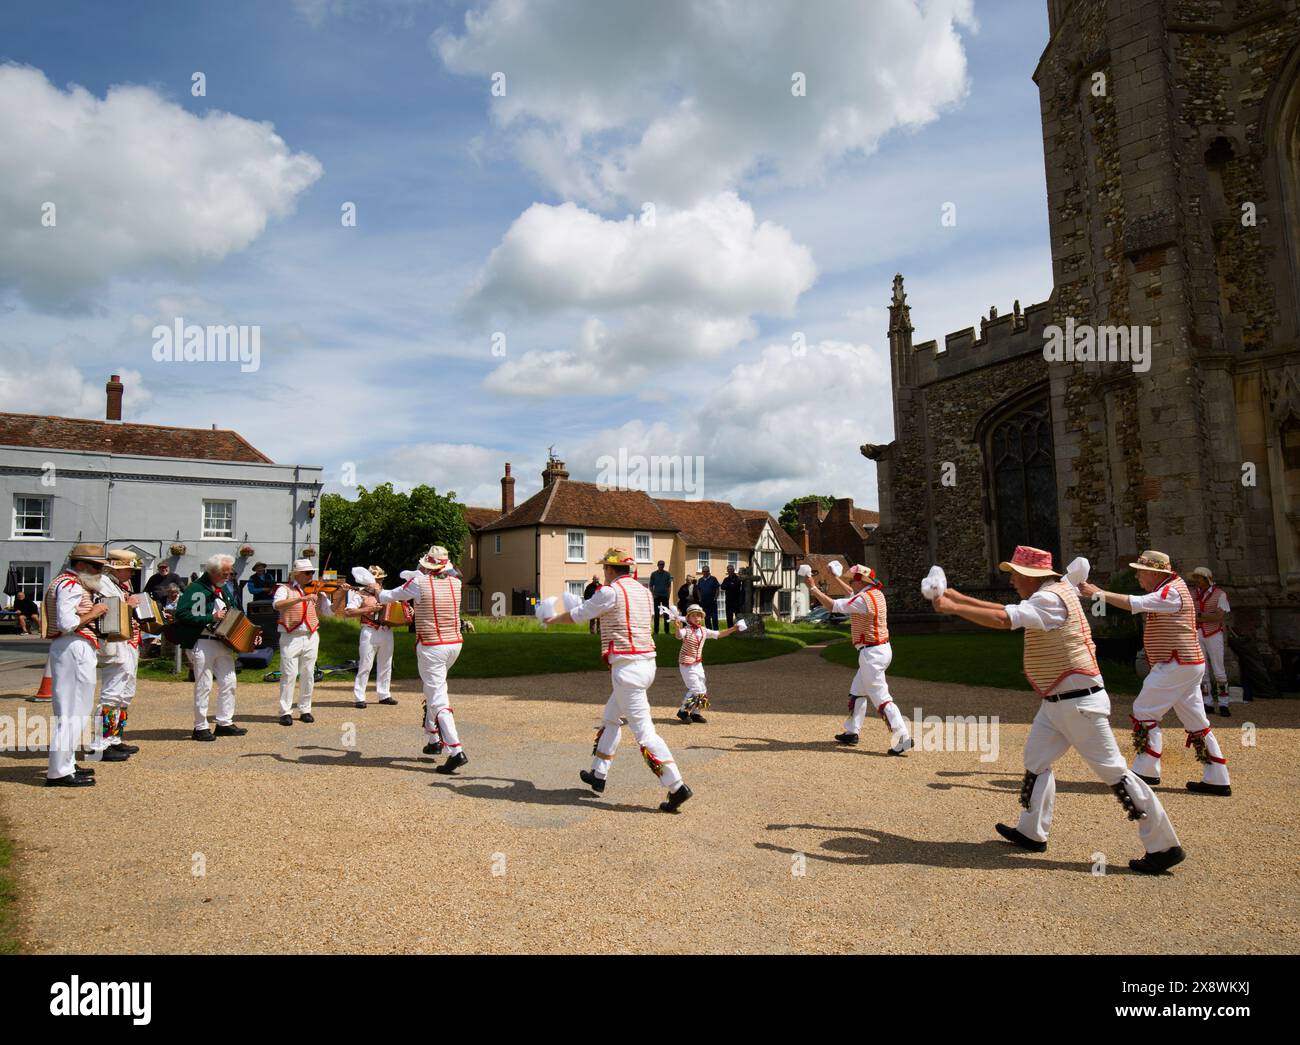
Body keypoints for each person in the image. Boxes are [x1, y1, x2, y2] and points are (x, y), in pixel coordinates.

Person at [934, 545, 1185, 875]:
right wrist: (957, 598)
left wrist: (952, 606)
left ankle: (1164, 846)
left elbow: (1002, 618)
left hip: (1077, 703)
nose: (1011, 580)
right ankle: (1031, 831)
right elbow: (1008, 608)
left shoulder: (1049, 600)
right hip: (1060, 701)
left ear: (1030, 576)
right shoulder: (1056, 589)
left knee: (1115, 772)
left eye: (1014, 575)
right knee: (1036, 761)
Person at [544, 548, 693, 813]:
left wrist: (551, 619)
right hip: (647, 663)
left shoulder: (610, 591)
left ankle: (676, 786)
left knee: (645, 733)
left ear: (611, 570)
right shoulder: (644, 592)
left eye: (605, 568)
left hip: (627, 668)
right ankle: (599, 774)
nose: (604, 572)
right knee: (611, 717)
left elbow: (579, 615)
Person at [1081, 551, 1230, 798]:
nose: (1137, 576)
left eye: (1140, 571)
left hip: (1177, 662)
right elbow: (1141, 601)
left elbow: (1136, 604)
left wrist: (1098, 593)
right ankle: (1216, 775)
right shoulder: (1173, 588)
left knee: (1144, 710)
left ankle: (1146, 770)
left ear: (1154, 572)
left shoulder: (1171, 591)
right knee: (1196, 721)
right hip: (1184, 663)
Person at [369, 545, 467, 774]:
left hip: (432, 645)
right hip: (454, 644)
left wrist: (374, 588)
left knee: (438, 697)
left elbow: (387, 596)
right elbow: (446, 575)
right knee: (434, 690)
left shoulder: (419, 583)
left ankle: (455, 751)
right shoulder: (456, 583)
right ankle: (433, 739)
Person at [804, 563, 912, 754]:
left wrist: (812, 587)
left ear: (861, 581)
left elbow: (833, 606)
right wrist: (835, 578)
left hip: (872, 654)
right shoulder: (875, 594)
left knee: (881, 697)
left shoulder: (863, 599)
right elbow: (852, 594)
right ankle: (852, 731)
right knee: (857, 691)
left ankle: (902, 736)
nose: (850, 582)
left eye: (853, 579)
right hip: (880, 650)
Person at [42, 543, 111, 787]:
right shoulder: (71, 584)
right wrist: (95, 612)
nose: (99, 571)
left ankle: (66, 763)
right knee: (74, 711)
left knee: (72, 710)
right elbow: (66, 622)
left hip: (71, 646)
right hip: (74, 644)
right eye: (95, 566)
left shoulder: (64, 582)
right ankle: (59, 771)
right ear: (81, 565)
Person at [172, 553, 249, 742]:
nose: (229, 576)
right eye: (225, 573)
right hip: (202, 641)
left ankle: (224, 722)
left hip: (222, 642)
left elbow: (232, 612)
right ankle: (200, 726)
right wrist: (210, 618)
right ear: (213, 572)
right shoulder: (196, 588)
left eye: (230, 573)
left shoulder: (223, 589)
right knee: (204, 684)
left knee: (229, 681)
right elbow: (182, 613)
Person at [93, 549, 145, 761]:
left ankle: (114, 737)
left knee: (125, 693)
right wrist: (128, 606)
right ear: (117, 568)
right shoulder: (103, 583)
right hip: (115, 642)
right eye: (129, 570)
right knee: (111, 694)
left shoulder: (121, 584)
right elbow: (107, 611)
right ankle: (100, 742)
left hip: (128, 641)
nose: (132, 574)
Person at [272, 559, 330, 726]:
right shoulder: (284, 589)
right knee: (289, 674)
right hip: (291, 636)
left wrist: (325, 600)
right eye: (307, 573)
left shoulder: (314, 591)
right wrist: (301, 599)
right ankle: (285, 711)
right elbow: (277, 605)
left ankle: (305, 709)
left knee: (308, 674)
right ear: (296, 574)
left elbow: (330, 612)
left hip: (311, 635)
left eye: (312, 573)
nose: (311, 575)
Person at [344, 565, 404, 709]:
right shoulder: (360, 594)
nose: (380, 583)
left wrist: (405, 610)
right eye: (377, 580)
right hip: (369, 630)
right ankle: (359, 697)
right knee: (365, 664)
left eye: (381, 580)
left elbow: (397, 605)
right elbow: (348, 612)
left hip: (387, 630)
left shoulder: (386, 593)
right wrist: (369, 609)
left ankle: (384, 694)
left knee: (386, 664)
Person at [671, 603, 741, 723]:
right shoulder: (686, 630)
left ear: (702, 618)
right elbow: (678, 636)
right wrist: (677, 627)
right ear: (688, 618)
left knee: (703, 688)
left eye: (699, 616)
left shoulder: (703, 631)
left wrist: (733, 629)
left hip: (698, 664)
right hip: (686, 664)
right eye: (693, 616)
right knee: (695, 688)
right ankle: (683, 711)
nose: (696, 618)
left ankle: (696, 713)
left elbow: (718, 634)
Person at [1191, 566, 1232, 716]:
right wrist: (1207, 615)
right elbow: (1189, 613)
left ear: (1207, 579)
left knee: (1219, 669)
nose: (1197, 581)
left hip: (1214, 633)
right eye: (1196, 578)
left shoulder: (1220, 594)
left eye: (1199, 578)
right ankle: (1207, 702)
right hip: (1198, 632)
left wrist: (1200, 616)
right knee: (1203, 669)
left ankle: (1223, 703)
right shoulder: (1193, 594)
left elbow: (1219, 617)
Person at [648, 560, 674, 634]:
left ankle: (667, 631)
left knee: (666, 614)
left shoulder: (667, 574)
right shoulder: (653, 574)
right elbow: (650, 585)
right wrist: (653, 594)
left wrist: (668, 595)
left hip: (665, 596)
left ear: (664, 565)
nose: (661, 565)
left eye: (662, 564)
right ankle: (656, 631)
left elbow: (669, 586)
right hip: (657, 596)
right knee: (656, 614)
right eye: (660, 564)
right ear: (658, 565)